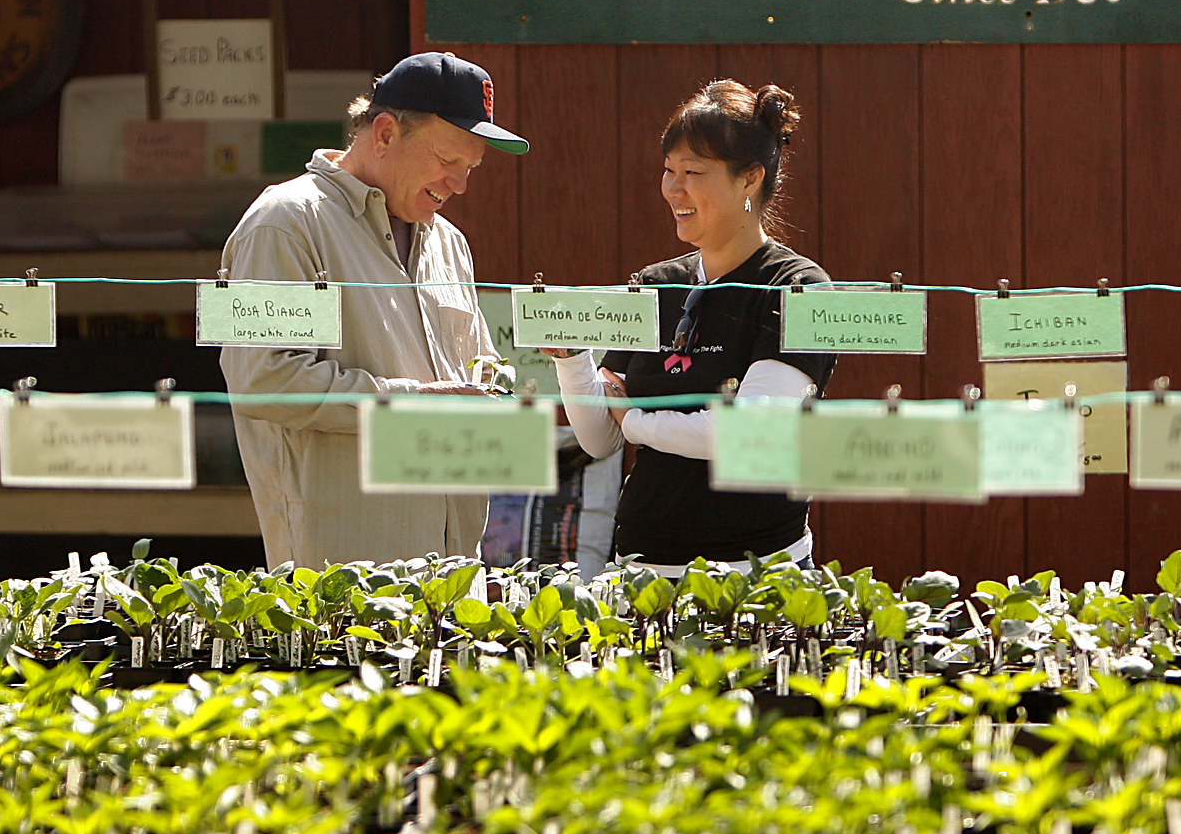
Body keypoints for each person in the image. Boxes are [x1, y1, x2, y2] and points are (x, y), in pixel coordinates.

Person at [219, 51, 528, 568]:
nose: (461, 185)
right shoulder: (281, 223)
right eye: (449, 162)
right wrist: (413, 404)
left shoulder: (449, 241)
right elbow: (260, 377)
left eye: (471, 168)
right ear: (384, 134)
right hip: (339, 584)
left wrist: (495, 391)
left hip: (455, 574)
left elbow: (477, 365)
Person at [551, 81, 833, 573]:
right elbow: (599, 440)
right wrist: (572, 360)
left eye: (693, 173)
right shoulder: (657, 284)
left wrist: (636, 421)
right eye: (668, 171)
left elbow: (747, 435)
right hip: (641, 569)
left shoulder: (799, 286)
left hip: (756, 573)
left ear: (749, 179)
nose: (673, 189)